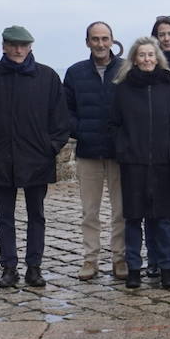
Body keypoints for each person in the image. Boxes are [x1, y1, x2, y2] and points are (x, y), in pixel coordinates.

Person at [0, 25, 71, 289]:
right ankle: (8, 267)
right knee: (5, 216)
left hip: (37, 158)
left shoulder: (47, 77)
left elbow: (60, 119)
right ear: (3, 46)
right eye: (12, 45)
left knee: (36, 215)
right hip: (0, 157)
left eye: (22, 45)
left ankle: (34, 267)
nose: (17, 50)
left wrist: (50, 147)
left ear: (30, 47)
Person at [109, 37, 170, 289]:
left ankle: (165, 268)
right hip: (133, 163)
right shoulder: (124, 88)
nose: (147, 59)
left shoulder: (167, 85)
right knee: (133, 219)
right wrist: (124, 148)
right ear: (134, 59)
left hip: (163, 163)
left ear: (157, 57)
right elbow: (114, 123)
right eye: (142, 55)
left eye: (151, 55)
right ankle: (133, 270)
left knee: (162, 220)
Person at [65, 21, 126, 280]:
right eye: (95, 39)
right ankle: (90, 260)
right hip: (88, 151)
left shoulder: (126, 69)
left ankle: (120, 260)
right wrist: (79, 130)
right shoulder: (75, 72)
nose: (100, 44)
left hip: (118, 152)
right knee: (89, 211)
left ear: (112, 40)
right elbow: (65, 110)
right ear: (87, 42)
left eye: (104, 38)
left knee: (121, 210)